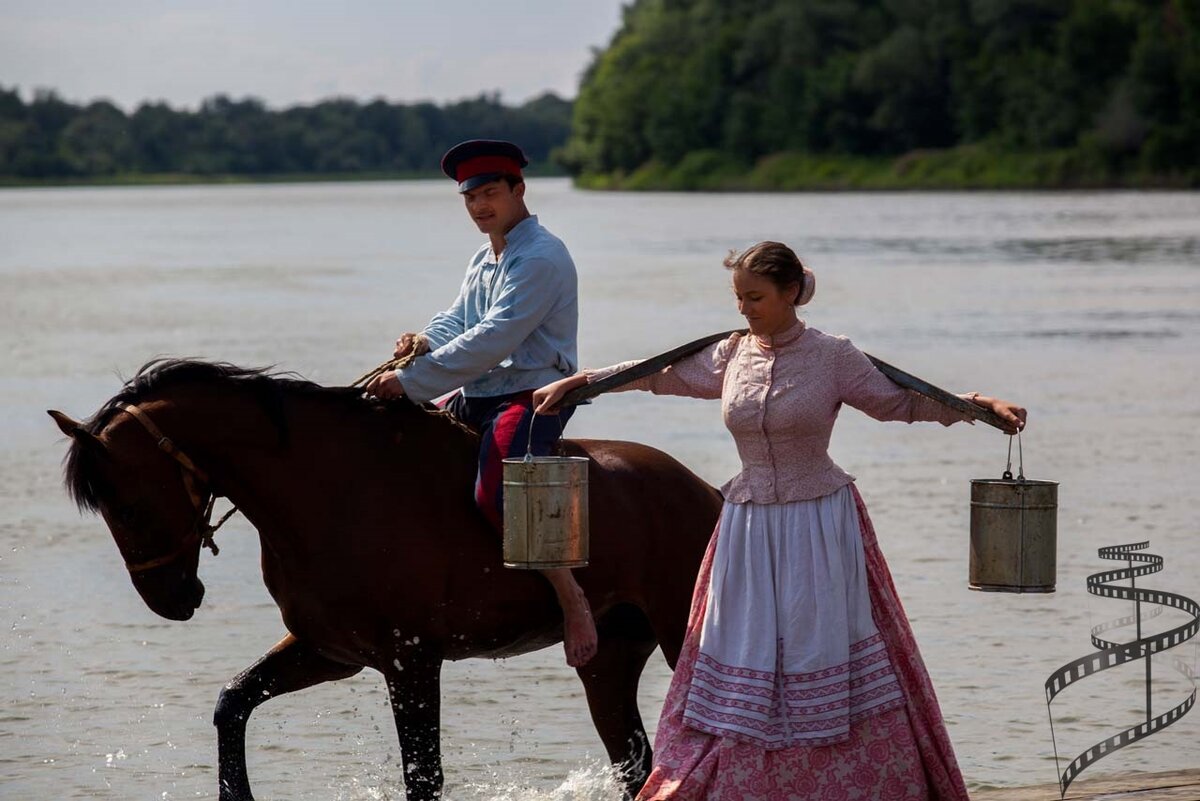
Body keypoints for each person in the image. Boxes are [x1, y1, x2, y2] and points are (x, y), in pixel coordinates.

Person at [533, 241, 1026, 799]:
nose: (744, 309)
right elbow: (660, 373)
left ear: (791, 293)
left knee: (819, 647)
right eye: (738, 298)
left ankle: (844, 781)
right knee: (742, 646)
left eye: (756, 297)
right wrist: (585, 381)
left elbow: (900, 402)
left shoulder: (833, 355)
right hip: (747, 527)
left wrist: (977, 408)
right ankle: (749, 778)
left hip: (820, 523)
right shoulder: (731, 353)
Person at [364, 139, 597, 667]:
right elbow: (458, 319)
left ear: (519, 190)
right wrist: (421, 341)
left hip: (534, 395)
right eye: (470, 198)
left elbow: (495, 337)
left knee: (498, 492)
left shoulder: (541, 256)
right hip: (478, 393)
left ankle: (569, 595)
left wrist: (413, 381)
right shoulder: (484, 255)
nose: (479, 206)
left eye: (490, 193)